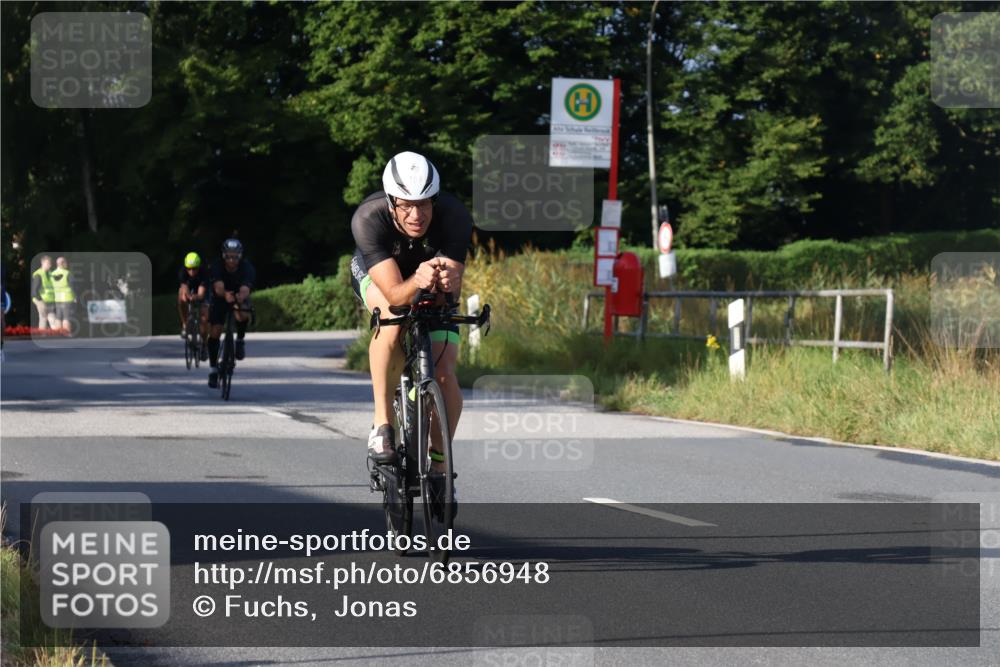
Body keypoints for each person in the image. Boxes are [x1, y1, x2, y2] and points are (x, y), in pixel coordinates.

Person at [349, 151, 472, 468]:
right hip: (381, 275)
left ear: (435, 199)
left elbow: (451, 293)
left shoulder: (455, 216)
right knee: (391, 317)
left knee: (444, 374)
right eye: (406, 205)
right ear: (391, 202)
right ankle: (382, 424)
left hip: (426, 277)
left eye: (425, 203)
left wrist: (449, 283)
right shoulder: (368, 218)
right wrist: (416, 281)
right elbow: (394, 294)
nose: (416, 214)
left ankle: (441, 461)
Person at [206, 239, 255, 388]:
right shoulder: (216, 266)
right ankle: (213, 369)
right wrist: (225, 295)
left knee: (242, 314)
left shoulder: (246, 267)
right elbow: (218, 286)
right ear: (223, 256)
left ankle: (240, 339)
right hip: (221, 296)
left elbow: (246, 287)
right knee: (215, 331)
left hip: (239, 295)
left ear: (240, 256)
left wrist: (241, 297)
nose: (232, 260)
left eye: (235, 257)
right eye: (228, 256)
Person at [177, 251, 209, 359]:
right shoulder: (183, 272)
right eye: (189, 268)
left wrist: (196, 297)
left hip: (201, 290)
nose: (191, 271)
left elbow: (201, 294)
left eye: (194, 268)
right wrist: (187, 296)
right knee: (181, 295)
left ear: (199, 267)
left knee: (204, 319)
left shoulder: (204, 272)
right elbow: (184, 287)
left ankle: (204, 345)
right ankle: (185, 324)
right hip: (189, 289)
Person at [50, 257, 76, 335]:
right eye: (66, 263)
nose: (67, 264)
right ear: (63, 263)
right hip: (67, 297)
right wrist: (75, 296)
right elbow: (73, 286)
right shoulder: (67, 273)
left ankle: (58, 333)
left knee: (58, 316)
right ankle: (66, 333)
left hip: (57, 298)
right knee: (66, 316)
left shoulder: (52, 274)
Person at [31, 255, 57, 330]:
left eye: (50, 263)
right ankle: (41, 335)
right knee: (43, 317)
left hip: (49, 300)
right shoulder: (39, 274)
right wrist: (40, 300)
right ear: (42, 263)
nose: (50, 265)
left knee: (52, 317)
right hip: (40, 300)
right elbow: (34, 290)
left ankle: (55, 335)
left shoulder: (50, 273)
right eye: (47, 263)